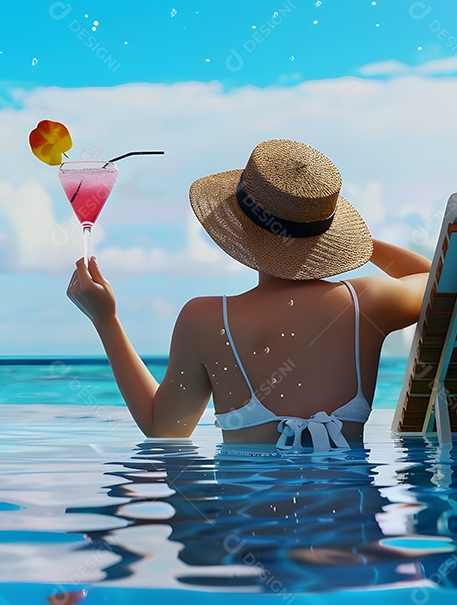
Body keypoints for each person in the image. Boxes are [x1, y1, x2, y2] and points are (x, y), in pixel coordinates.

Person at [66, 139, 431, 449]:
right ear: (330, 237)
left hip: (245, 527)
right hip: (353, 530)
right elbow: (429, 276)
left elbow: (165, 429)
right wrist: (353, 243)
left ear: (241, 229)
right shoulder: (367, 303)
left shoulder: (206, 320)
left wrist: (106, 320)